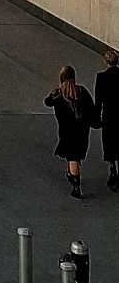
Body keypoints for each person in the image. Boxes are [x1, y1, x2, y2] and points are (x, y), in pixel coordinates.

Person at [46, 64, 98, 198]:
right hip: (82, 130)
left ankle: (76, 186)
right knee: (75, 155)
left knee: (72, 157)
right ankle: (71, 173)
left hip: (66, 130)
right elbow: (91, 109)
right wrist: (95, 122)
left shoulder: (59, 94)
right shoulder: (81, 91)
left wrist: (54, 93)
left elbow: (47, 102)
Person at [97, 48, 119, 190]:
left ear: (106, 61)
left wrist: (96, 117)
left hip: (109, 115)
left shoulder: (101, 77)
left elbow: (98, 99)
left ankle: (112, 168)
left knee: (110, 142)